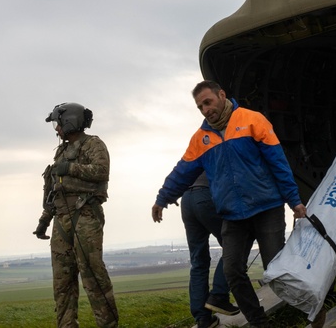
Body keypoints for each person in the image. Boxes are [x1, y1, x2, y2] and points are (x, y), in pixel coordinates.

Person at [151, 80, 307, 328]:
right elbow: (182, 172)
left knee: (275, 267)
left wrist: (294, 201)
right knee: (233, 270)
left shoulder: (253, 120)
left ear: (221, 95)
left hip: (267, 207)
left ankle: (307, 307)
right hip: (232, 215)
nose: (205, 110)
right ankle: (259, 322)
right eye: (200, 106)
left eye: (208, 102)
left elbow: (278, 162)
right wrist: (162, 198)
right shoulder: (201, 138)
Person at [34, 102, 119, 328]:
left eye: (58, 123)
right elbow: (54, 191)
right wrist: (44, 221)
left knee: (93, 275)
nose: (56, 129)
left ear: (70, 120)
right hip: (61, 219)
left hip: (85, 214)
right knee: (62, 282)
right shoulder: (61, 152)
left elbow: (101, 171)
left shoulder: (93, 144)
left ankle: (108, 324)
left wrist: (69, 169)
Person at [181, 173, 240, 328]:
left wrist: (166, 196)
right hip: (207, 194)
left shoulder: (198, 148)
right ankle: (219, 295)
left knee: (198, 260)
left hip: (187, 198)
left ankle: (203, 319)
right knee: (235, 244)